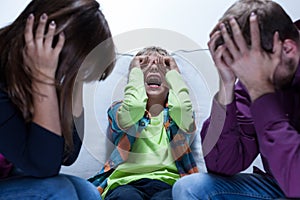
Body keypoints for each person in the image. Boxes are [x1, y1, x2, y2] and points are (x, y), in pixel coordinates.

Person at [172, 0, 300, 199]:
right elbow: (221, 164)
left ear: (288, 49)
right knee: (190, 188)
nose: (249, 77)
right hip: (278, 185)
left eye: (252, 68)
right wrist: (227, 84)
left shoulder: (258, 82)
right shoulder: (252, 81)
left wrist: (261, 89)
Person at [0, 0, 115, 199]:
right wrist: (43, 78)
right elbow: (43, 166)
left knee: (87, 192)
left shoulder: (36, 77)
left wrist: (76, 80)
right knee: (58, 190)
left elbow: (67, 155)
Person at [88, 46, 199, 199]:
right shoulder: (119, 110)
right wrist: (135, 69)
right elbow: (134, 107)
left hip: (170, 184)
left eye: (162, 66)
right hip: (125, 184)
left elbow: (181, 107)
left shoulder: (179, 115)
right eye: (145, 65)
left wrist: (174, 71)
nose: (154, 69)